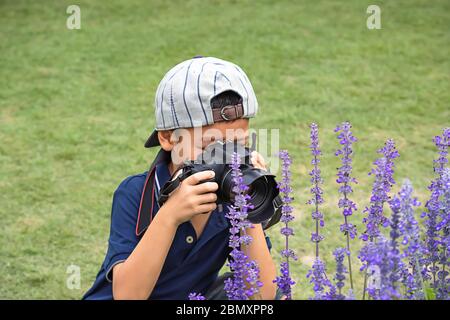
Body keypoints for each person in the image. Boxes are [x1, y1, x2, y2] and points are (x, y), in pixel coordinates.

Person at [83, 56, 281, 300]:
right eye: (211, 147)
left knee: (271, 290)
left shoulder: (230, 199)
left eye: (238, 145)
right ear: (168, 138)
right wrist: (169, 216)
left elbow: (262, 294)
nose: (228, 160)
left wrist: (250, 204)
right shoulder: (135, 193)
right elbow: (128, 296)